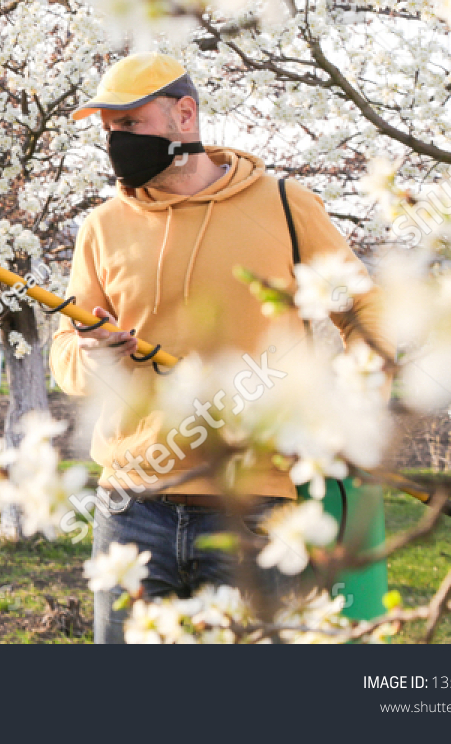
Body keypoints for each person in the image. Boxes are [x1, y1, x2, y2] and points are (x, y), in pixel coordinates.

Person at [48, 52, 391, 643]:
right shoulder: (101, 227)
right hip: (132, 501)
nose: (116, 143)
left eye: (130, 125)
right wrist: (94, 355)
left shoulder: (284, 206)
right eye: (109, 132)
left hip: (255, 502)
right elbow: (65, 356)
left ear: (185, 115)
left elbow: (362, 311)